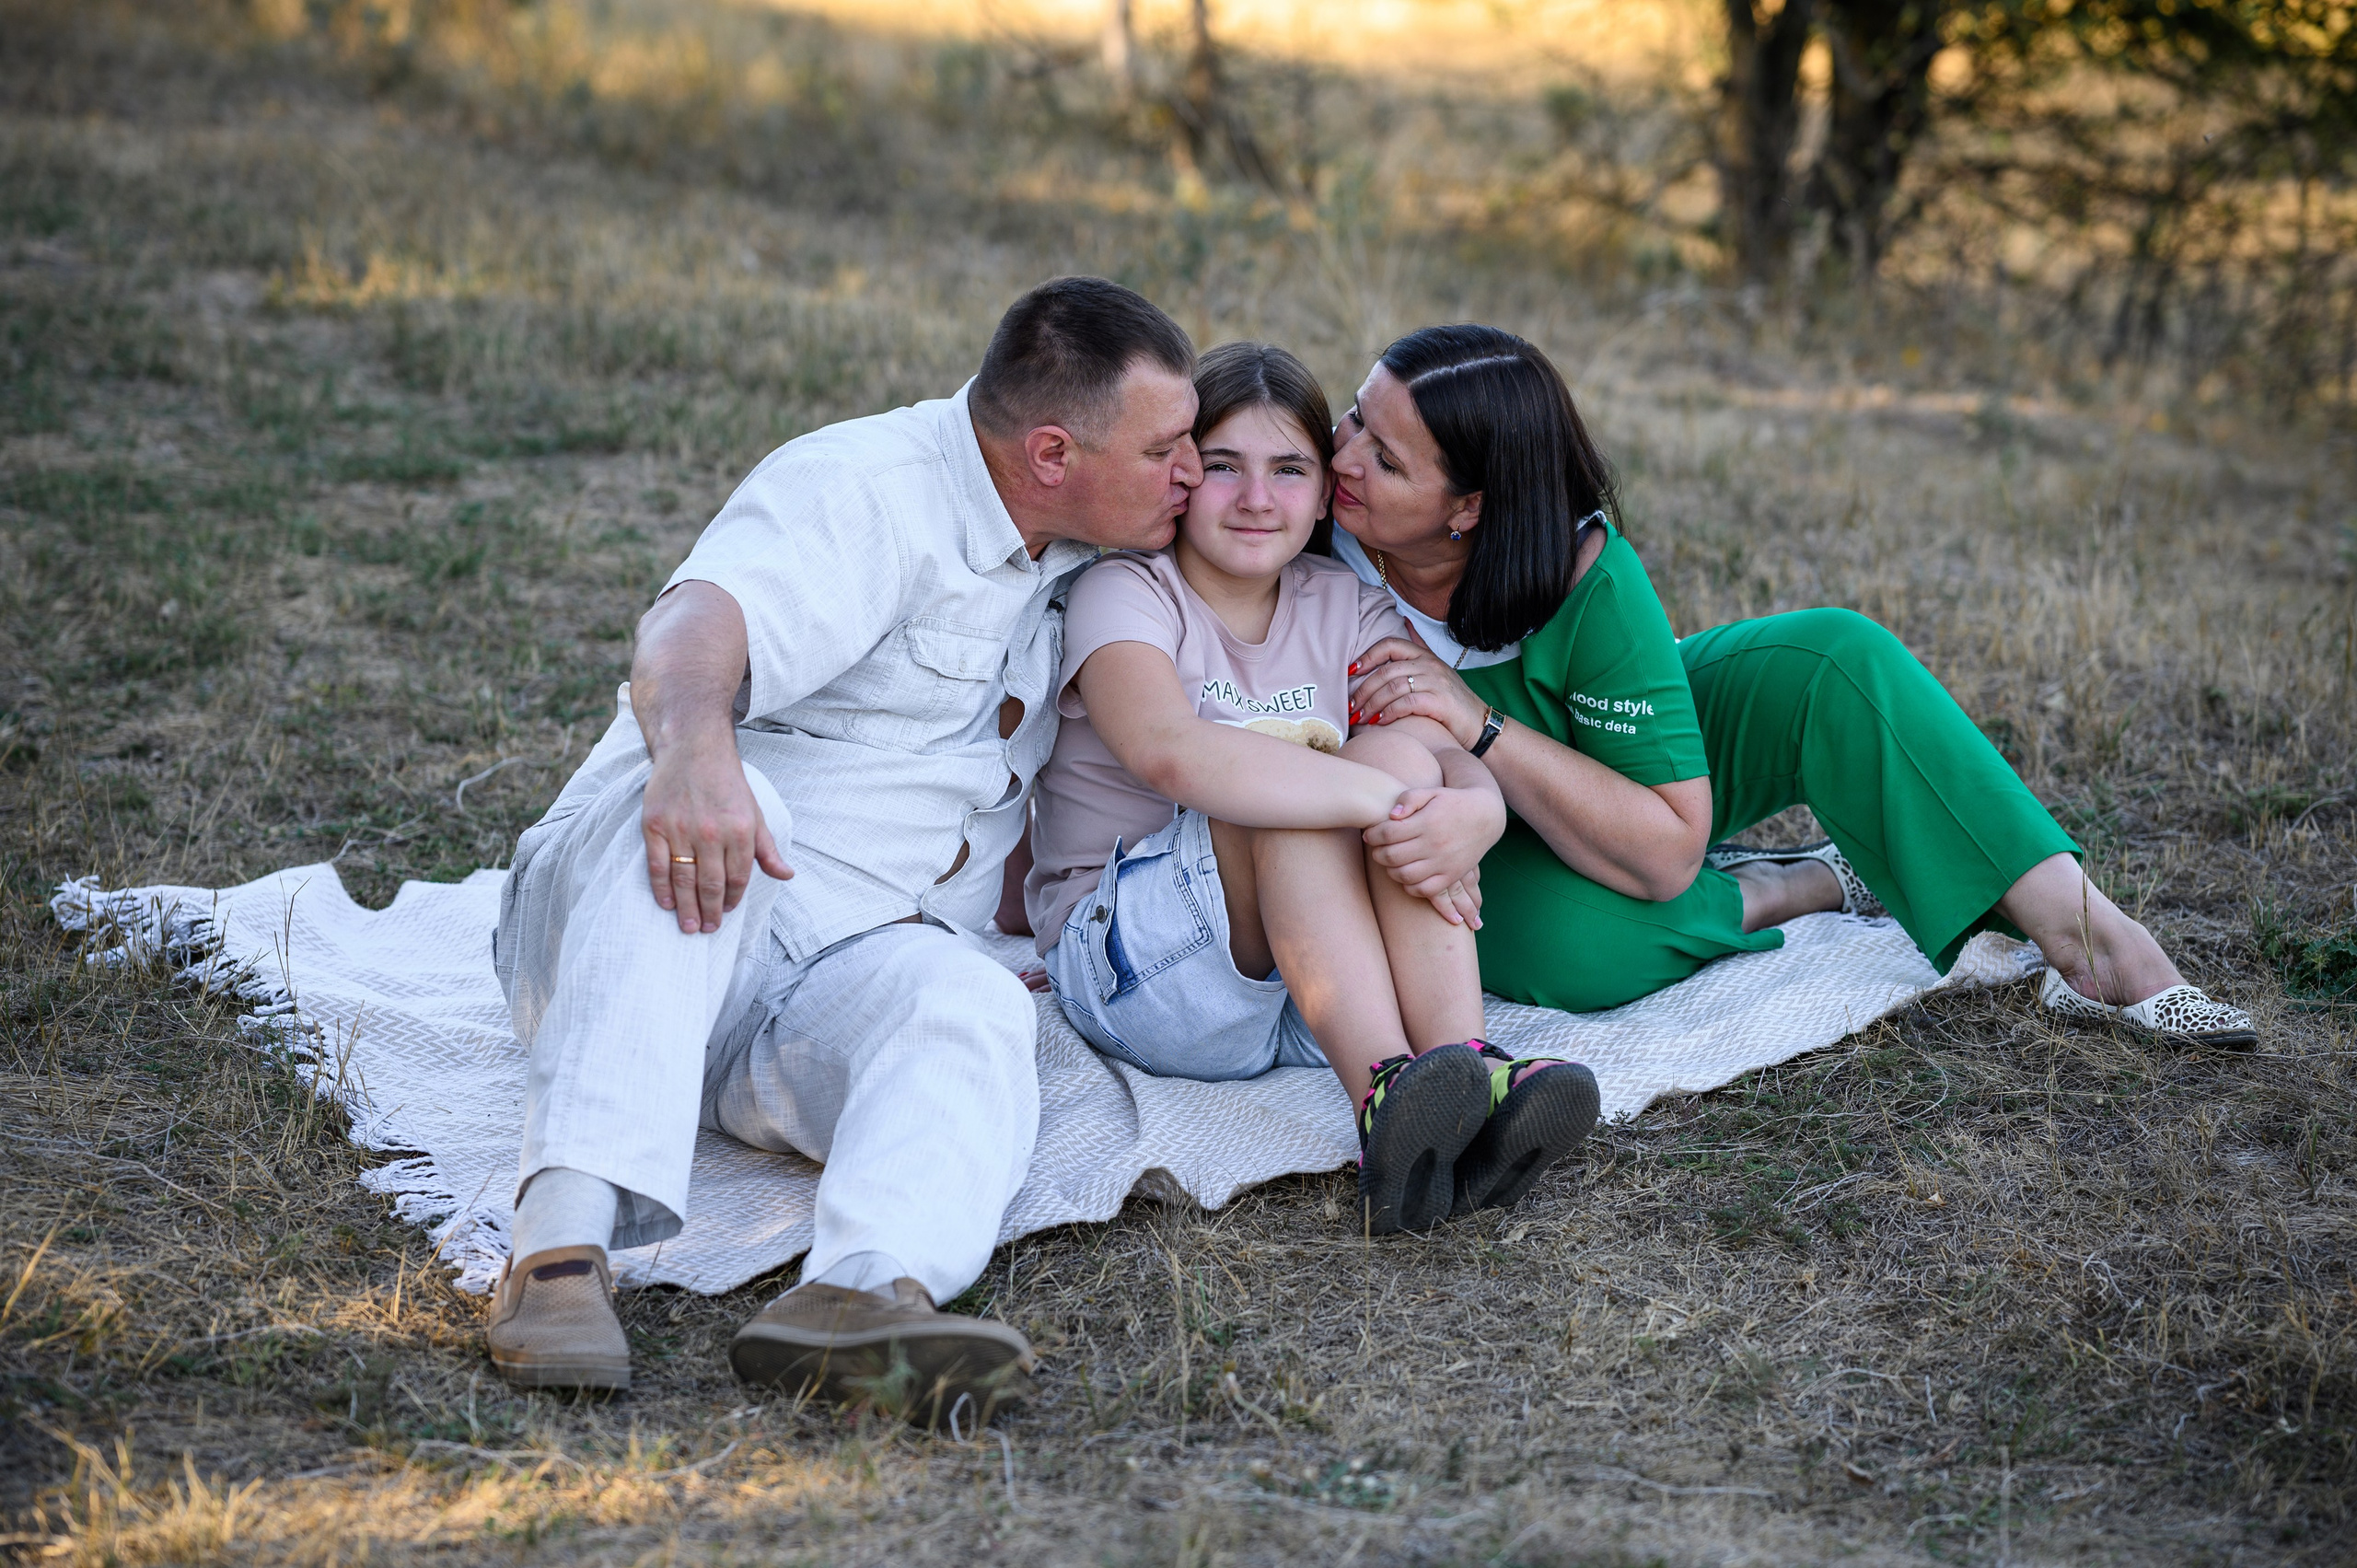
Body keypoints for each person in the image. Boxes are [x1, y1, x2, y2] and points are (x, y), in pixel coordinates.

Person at [482, 276, 1206, 1423]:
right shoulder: (869, 486)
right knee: (732, 804)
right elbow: (691, 624)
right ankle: (555, 1256)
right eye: (1170, 446)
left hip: (825, 976)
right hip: (640, 923)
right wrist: (691, 758)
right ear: (1054, 451)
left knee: (969, 1002)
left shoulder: (1090, 548)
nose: (1195, 472)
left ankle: (862, 1295)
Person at [1331, 324, 2257, 1048]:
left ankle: (2091, 941)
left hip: (1582, 764)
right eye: (1354, 417)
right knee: (1571, 944)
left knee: (1834, 660)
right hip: (1464, 826)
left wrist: (1478, 720)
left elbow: (1661, 848)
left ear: (1470, 509)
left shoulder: (1580, 568)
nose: (1341, 457)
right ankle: (1791, 884)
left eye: (1384, 457)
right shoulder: (1301, 519)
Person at [1025, 342, 1601, 1236]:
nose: (1257, 498)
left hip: (1308, 992)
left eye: (1289, 469)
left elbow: (1433, 752)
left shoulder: (1345, 601)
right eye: (1224, 467)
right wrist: (1383, 803)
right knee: (1287, 790)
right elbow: (1168, 751)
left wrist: (1473, 814)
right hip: (1137, 969)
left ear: (1326, 490)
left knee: (1402, 764)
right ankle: (1386, 1096)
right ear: (1181, 473)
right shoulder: (1126, 592)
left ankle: (1461, 1068)